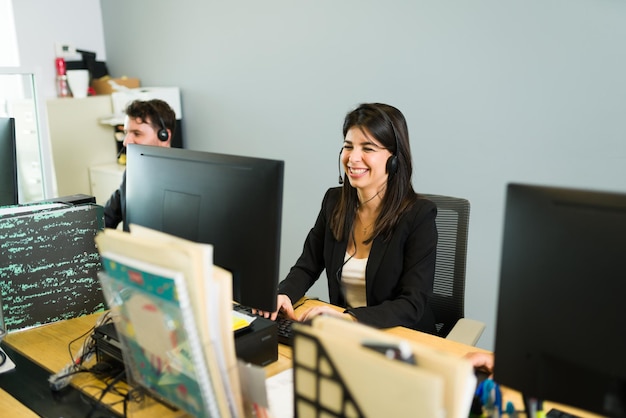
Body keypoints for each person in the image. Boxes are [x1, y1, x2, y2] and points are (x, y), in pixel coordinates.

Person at [256, 103, 438, 333]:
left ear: (394, 158)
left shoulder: (419, 216)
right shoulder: (335, 202)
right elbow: (307, 266)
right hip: (344, 334)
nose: (353, 158)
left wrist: (349, 317)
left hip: (399, 338)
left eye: (368, 148)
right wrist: (283, 294)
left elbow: (411, 304)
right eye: (348, 146)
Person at [103, 99, 176, 230]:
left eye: (137, 133)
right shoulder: (132, 173)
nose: (126, 142)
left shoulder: (184, 179)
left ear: (164, 136)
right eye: (126, 133)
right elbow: (106, 218)